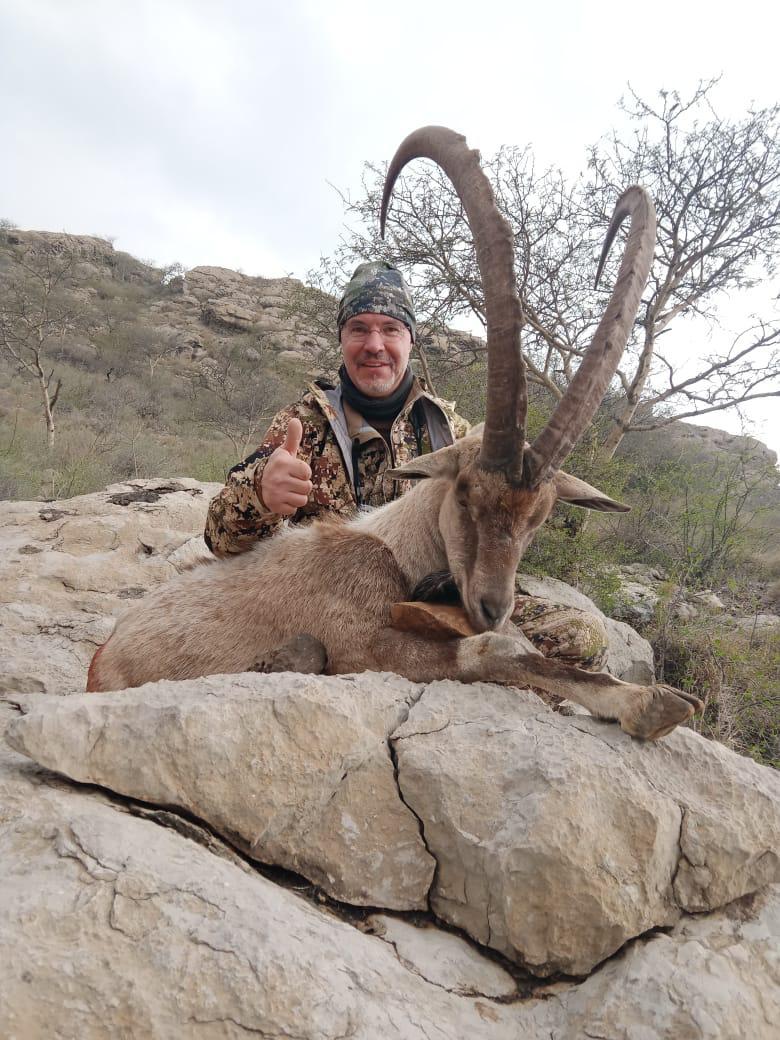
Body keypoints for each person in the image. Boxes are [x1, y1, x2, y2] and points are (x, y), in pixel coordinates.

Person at [204, 261, 609, 674]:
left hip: (436, 604)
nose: (374, 345)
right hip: (330, 614)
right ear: (342, 338)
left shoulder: (453, 432)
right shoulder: (299, 425)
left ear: (411, 339)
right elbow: (222, 543)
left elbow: (497, 531)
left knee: (580, 639)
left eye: (390, 329)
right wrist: (260, 496)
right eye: (358, 328)